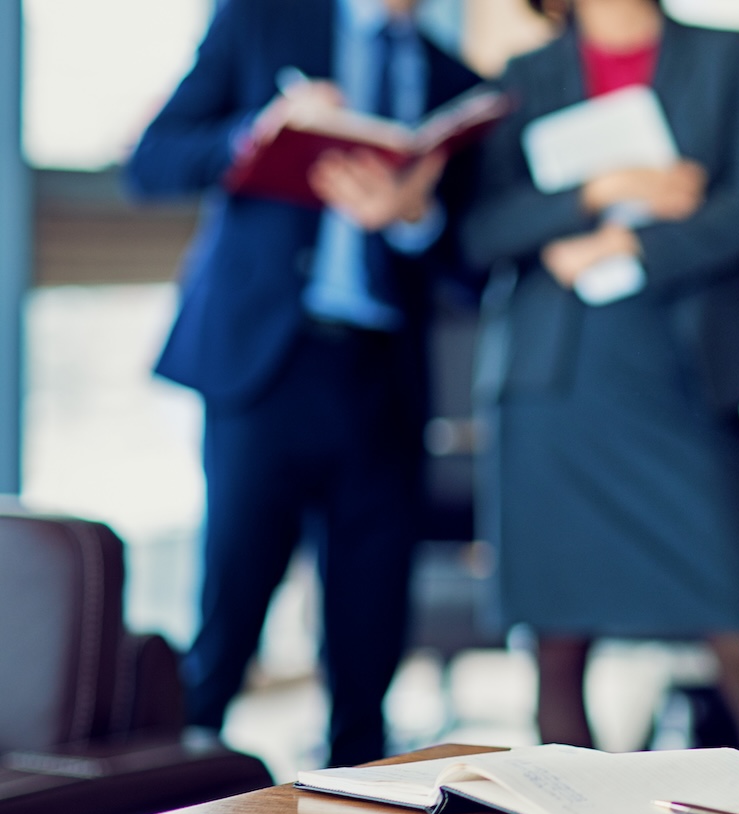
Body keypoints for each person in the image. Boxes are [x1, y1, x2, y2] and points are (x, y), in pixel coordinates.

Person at [124, 0, 482, 766]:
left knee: (369, 634)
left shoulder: (455, 82)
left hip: (382, 378)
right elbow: (151, 162)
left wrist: (414, 215)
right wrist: (257, 131)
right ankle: (169, 798)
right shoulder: (263, 20)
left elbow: (476, 265)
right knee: (229, 617)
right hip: (265, 369)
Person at [460, 0, 739, 753]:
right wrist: (594, 196)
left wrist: (634, 248)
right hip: (555, 383)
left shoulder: (722, 54)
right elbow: (481, 229)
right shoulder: (523, 75)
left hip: (682, 370)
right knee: (557, 645)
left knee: (737, 619)